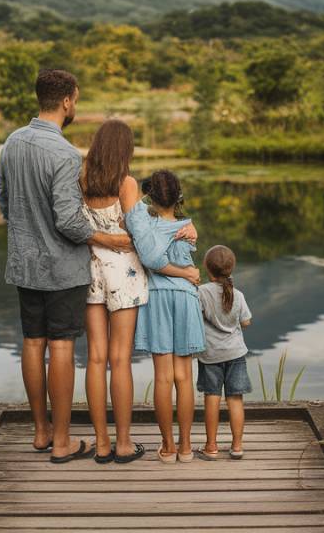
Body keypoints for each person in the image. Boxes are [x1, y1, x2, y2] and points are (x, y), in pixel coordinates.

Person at [0, 69, 133, 464]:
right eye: (77, 98)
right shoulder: (63, 153)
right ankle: (61, 442)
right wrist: (113, 240)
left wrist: (25, 232)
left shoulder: (11, 143)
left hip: (24, 264)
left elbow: (5, 202)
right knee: (60, 345)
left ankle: (40, 433)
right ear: (68, 101)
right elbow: (71, 222)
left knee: (32, 342)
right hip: (60, 268)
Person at [81, 121, 197, 464]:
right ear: (125, 150)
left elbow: (80, 225)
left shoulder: (82, 180)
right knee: (119, 359)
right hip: (125, 274)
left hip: (90, 271)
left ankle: (101, 443)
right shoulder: (126, 183)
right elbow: (141, 238)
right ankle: (124, 444)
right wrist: (178, 229)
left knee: (95, 358)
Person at [121, 170, 205, 463]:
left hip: (156, 298)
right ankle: (185, 448)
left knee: (163, 378)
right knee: (184, 377)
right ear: (179, 196)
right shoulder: (186, 227)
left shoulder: (143, 221)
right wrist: (187, 271)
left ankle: (168, 447)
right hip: (185, 297)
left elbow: (134, 209)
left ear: (150, 196)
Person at [194, 244, 253, 460]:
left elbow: (195, 316)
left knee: (212, 398)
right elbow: (246, 322)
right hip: (236, 354)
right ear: (231, 268)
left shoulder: (201, 292)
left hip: (210, 356)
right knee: (235, 399)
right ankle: (237, 446)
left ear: (207, 269)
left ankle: (211, 447)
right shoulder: (238, 294)